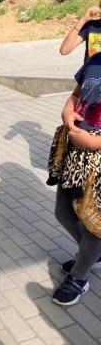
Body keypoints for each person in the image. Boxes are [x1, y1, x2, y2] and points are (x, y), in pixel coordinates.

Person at [47, 51, 101, 306]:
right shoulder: (95, 60)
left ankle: (79, 276)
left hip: (97, 158)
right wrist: (67, 112)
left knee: (95, 223)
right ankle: (92, 255)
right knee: (64, 212)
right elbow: (76, 95)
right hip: (75, 156)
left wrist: (92, 142)